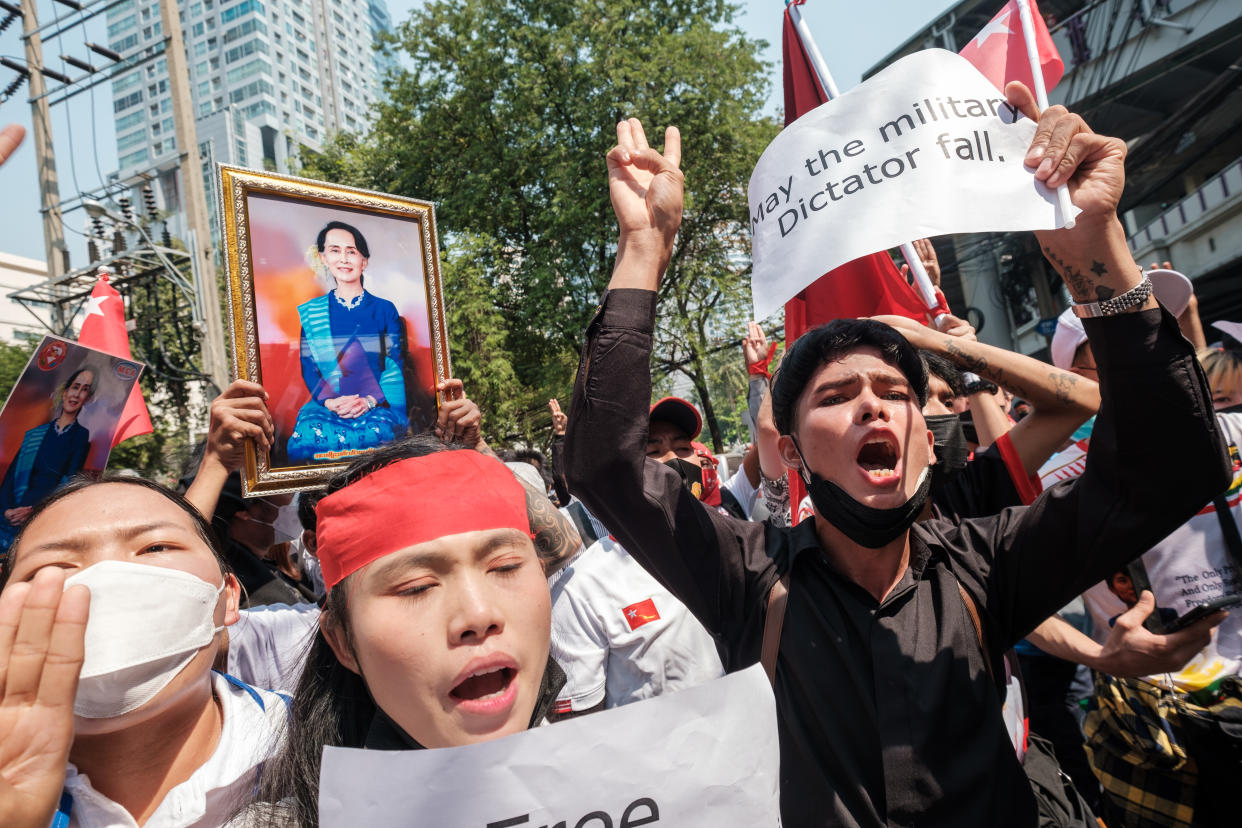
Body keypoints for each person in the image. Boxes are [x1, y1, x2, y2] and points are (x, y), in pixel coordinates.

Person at [565, 87, 1229, 828]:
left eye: (893, 392)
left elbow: (1172, 464)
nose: (874, 405)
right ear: (791, 451)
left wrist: (1093, 251)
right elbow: (603, 464)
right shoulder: (748, 579)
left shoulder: (990, 563)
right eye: (836, 395)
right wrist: (643, 250)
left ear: (923, 434)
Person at [246, 436, 574, 826]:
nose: (479, 614)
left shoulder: (625, 785)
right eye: (416, 587)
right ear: (341, 641)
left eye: (504, 566)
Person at [0, 476, 288, 828]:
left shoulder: (334, 743)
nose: (107, 576)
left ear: (228, 596)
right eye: (56, 566)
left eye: (156, 548)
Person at [285, 221, 409, 464]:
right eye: (335, 250)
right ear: (323, 257)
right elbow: (308, 367)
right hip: (329, 405)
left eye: (351, 251)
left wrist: (370, 401)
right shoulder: (313, 314)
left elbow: (396, 361)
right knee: (307, 437)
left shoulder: (384, 309)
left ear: (364, 261)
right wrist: (331, 402)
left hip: (377, 404)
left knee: (381, 436)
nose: (344, 258)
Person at [0, 367, 97, 550]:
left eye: (84, 389)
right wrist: (6, 511)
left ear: (88, 398)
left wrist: (35, 511)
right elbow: (10, 479)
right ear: (65, 391)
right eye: (75, 387)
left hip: (44, 516)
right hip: (11, 513)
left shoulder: (81, 437)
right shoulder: (34, 435)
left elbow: (69, 483)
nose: (77, 394)